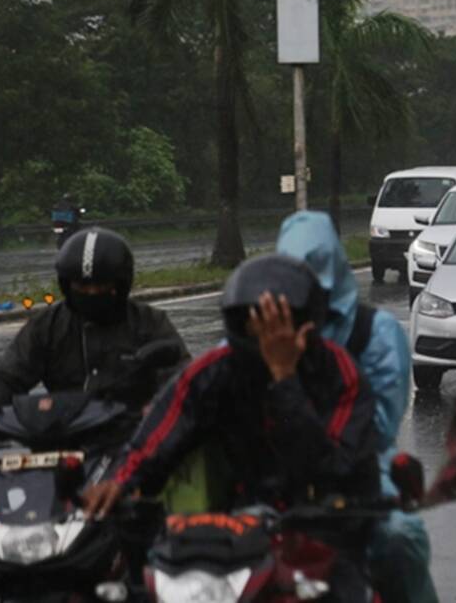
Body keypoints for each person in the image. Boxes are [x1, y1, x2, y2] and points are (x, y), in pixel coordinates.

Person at [82, 254, 382, 598]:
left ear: (305, 327)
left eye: (277, 326)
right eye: (258, 325)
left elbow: (328, 468)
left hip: (332, 523)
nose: (267, 337)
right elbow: (161, 431)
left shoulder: (339, 374)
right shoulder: (215, 371)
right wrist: (120, 483)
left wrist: (284, 379)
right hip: (243, 524)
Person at [276, 211, 436, 603]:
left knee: (399, 537)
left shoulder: (373, 333)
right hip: (272, 468)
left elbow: (377, 429)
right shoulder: (262, 331)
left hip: (358, 469)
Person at [0, 228, 188, 429]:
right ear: (67, 285)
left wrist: (162, 409)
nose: (92, 293)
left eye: (101, 285)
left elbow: (181, 377)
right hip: (62, 436)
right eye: (82, 286)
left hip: (132, 442)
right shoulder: (47, 325)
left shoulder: (149, 322)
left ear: (120, 284)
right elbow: (10, 374)